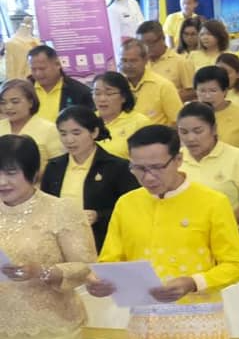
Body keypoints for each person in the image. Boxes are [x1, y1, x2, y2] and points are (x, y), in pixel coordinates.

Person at [83, 125, 239, 339]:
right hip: (145, 332)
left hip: (200, 333)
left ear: (178, 159)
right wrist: (97, 280)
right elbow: (109, 260)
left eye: (157, 168)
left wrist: (192, 282)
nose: (148, 177)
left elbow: (235, 265)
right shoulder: (127, 204)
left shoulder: (212, 202)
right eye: (138, 168)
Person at [0, 134, 95, 339]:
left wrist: (41, 272)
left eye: (11, 173)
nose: (2, 181)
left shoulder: (60, 209)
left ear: (33, 173)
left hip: (50, 335)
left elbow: (86, 266)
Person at [41, 106, 136, 249]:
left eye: (76, 133)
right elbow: (44, 205)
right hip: (60, 243)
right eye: (63, 134)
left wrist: (99, 216)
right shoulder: (54, 167)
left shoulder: (117, 167)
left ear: (94, 132)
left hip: (101, 241)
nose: (69, 140)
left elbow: (131, 209)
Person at [174, 104, 239, 226]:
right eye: (183, 132)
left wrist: (217, 224)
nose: (190, 138)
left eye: (198, 131)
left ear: (214, 129)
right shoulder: (174, 160)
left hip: (226, 232)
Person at [26, 44, 92, 121]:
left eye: (42, 69)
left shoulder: (79, 92)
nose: (38, 73)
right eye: (33, 69)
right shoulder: (25, 90)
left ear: (58, 64)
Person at [1, 78, 60, 162]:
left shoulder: (50, 129)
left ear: (30, 102)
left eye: (15, 102)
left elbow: (59, 165)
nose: (8, 107)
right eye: (3, 102)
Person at [90, 72, 146, 159]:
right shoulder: (87, 120)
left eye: (109, 94)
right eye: (97, 94)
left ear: (123, 97)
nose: (102, 99)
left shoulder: (140, 122)